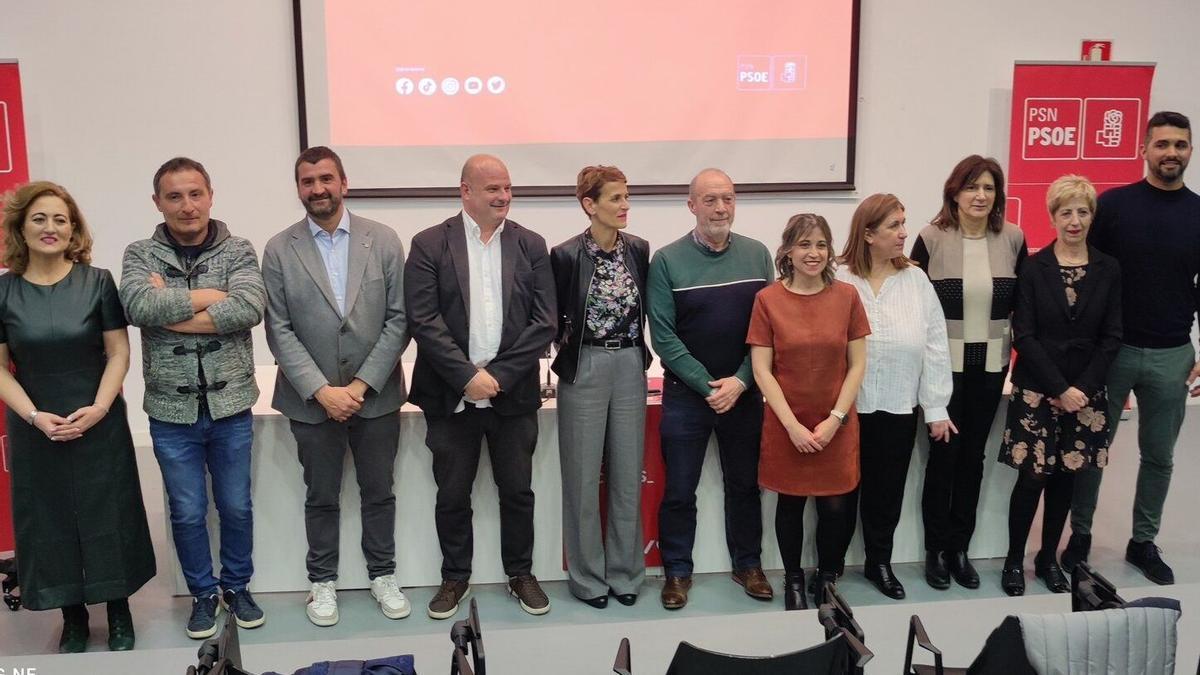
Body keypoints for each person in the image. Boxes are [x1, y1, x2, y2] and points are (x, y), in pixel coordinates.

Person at [0, 182, 155, 652]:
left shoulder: (98, 282)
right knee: (49, 517)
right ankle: (71, 615)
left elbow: (118, 352)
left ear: (74, 230)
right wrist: (33, 416)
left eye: (60, 219)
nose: (51, 228)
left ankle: (118, 608)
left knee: (108, 511)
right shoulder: (2, 290)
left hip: (97, 417)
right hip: (36, 424)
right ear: (21, 228)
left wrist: (100, 408)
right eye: (40, 218)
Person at [120, 157, 267, 638]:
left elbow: (249, 307)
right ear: (158, 202)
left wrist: (173, 309)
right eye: (175, 196)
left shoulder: (239, 249)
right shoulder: (140, 253)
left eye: (195, 193)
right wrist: (212, 296)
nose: (187, 206)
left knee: (236, 506)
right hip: (170, 410)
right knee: (186, 510)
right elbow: (140, 305)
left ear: (210, 194)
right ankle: (204, 594)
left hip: (230, 406)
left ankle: (237, 587)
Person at [404, 154, 556, 619]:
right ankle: (455, 578)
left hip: (513, 395)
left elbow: (545, 321)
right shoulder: (430, 243)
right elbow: (423, 319)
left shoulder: (531, 245)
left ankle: (521, 574)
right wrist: (468, 377)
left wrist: (500, 377)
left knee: (517, 491)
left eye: (508, 188)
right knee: (452, 493)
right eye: (492, 189)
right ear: (465, 191)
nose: (503, 197)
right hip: (451, 394)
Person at [263, 146, 410, 625]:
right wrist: (323, 390)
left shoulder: (383, 240)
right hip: (312, 402)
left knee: (378, 491)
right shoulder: (280, 249)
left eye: (326, 179)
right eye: (308, 182)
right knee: (320, 495)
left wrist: (363, 385)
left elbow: (398, 318)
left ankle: (382, 574)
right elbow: (278, 328)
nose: (318, 189)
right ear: (299, 189)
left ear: (344, 183)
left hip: (377, 396)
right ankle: (321, 582)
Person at [1064, 111, 1200, 585]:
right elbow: (1087, 272)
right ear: (1144, 149)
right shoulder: (1114, 207)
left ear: (1190, 150)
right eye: (1162, 144)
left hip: (1172, 353)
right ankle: (1079, 537)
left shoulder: (1198, 212)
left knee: (1159, 456)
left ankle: (1143, 541)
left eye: (1180, 145)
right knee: (1093, 449)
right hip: (1112, 352)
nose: (1171, 153)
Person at [648, 168, 775, 610]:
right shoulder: (666, 260)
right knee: (680, 490)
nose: (721, 208)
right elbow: (663, 337)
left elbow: (768, 329)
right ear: (692, 206)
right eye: (710, 200)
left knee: (744, 486)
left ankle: (748, 564)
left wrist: (740, 382)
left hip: (744, 394)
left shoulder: (759, 256)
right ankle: (677, 571)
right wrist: (709, 386)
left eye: (728, 198)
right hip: (687, 396)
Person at [998, 175, 1122, 596]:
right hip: (1039, 390)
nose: (1075, 220)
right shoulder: (1034, 268)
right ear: (1052, 217)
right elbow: (1024, 335)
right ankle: (1014, 561)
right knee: (1032, 478)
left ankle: (1048, 559)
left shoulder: (1109, 268)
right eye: (1066, 212)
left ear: (1092, 216)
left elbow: (1112, 337)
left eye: (1082, 211)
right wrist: (1058, 388)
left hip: (1085, 395)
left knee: (1065, 480)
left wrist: (1081, 390)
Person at [910, 155, 1027, 591]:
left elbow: (1023, 307)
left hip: (991, 367)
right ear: (954, 193)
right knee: (944, 459)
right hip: (944, 369)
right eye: (971, 187)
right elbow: (915, 305)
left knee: (973, 460)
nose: (980, 196)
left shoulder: (1013, 238)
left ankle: (960, 548)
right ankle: (935, 551)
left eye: (989, 188)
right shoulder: (930, 238)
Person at [834, 194, 953, 600]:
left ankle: (878, 563)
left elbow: (936, 344)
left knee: (887, 492)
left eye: (904, 223)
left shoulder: (916, 281)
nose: (905, 233)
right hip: (845, 409)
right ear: (868, 234)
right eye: (895, 226)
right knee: (840, 493)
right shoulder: (839, 279)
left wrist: (936, 406)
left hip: (899, 405)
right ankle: (830, 567)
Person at [748, 213, 869, 610]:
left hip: (836, 421)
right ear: (787, 251)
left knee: (836, 505)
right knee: (791, 503)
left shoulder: (848, 297)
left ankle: (828, 577)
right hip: (787, 422)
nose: (813, 253)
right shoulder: (768, 300)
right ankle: (794, 581)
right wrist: (792, 426)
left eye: (820, 245)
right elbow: (762, 369)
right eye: (804, 244)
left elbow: (857, 365)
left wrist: (835, 419)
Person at [550, 166, 650, 608]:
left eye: (626, 197)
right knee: (583, 477)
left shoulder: (640, 251)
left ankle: (626, 574)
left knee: (628, 475)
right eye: (615, 198)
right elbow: (554, 319)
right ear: (589, 205)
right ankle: (589, 579)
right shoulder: (566, 255)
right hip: (585, 364)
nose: (625, 205)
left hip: (630, 362)